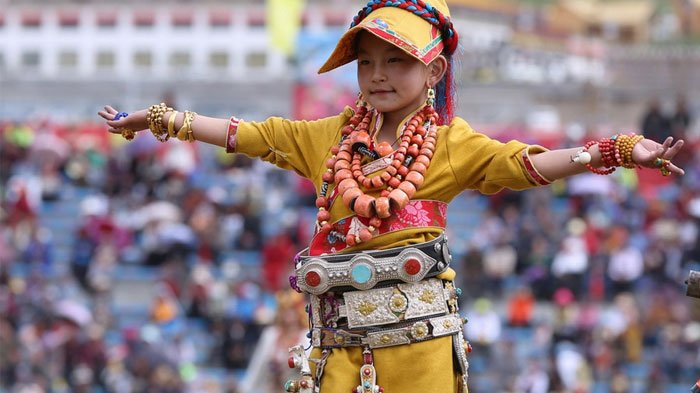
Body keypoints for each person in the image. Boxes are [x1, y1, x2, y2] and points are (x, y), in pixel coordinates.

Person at [98, 1, 685, 391]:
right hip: (336, 343)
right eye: (368, 62)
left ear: (433, 73)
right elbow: (245, 134)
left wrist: (613, 151)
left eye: (397, 62)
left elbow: (524, 165)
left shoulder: (452, 143)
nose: (378, 74)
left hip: (420, 347)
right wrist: (160, 119)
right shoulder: (326, 137)